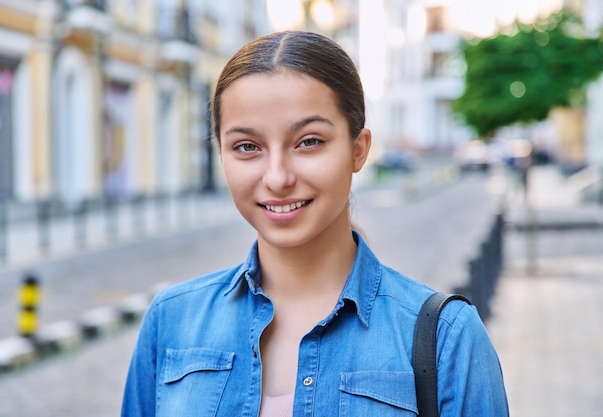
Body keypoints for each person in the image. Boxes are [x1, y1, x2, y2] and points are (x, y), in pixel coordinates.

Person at [121, 31, 509, 417]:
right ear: (221, 153)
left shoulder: (447, 338)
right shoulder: (171, 321)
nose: (277, 177)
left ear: (358, 150)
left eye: (308, 141)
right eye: (247, 147)